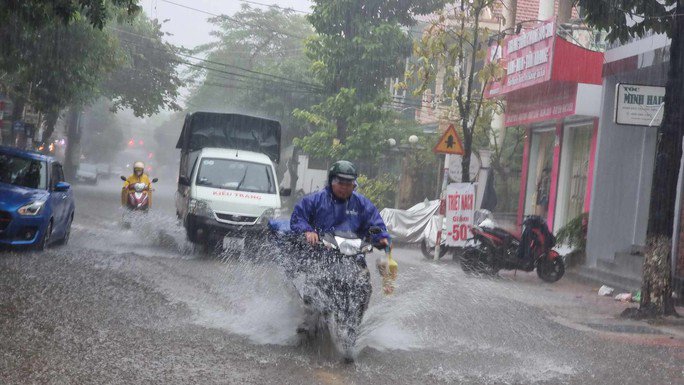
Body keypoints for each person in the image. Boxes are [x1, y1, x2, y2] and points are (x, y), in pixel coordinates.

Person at [290, 160, 390, 248]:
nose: (344, 188)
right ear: (331, 182)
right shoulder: (314, 200)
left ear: (354, 185)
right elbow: (298, 218)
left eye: (348, 184)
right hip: (320, 252)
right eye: (341, 183)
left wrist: (382, 237)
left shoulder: (362, 204)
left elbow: (376, 224)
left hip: (354, 256)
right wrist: (308, 231)